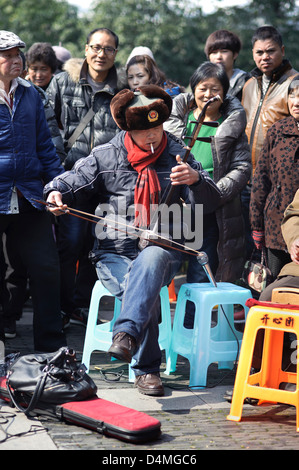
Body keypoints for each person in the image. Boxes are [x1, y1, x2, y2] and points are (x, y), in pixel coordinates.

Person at [44, 85, 221, 396]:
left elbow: (211, 200)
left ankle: (126, 336)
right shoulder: (106, 154)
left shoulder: (179, 153)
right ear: (127, 128)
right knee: (142, 286)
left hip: (160, 249)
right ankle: (147, 368)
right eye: (143, 130)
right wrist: (55, 192)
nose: (151, 135)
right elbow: (71, 179)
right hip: (113, 253)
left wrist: (196, 180)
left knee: (150, 262)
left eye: (156, 127)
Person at [46, 28, 121, 326]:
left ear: (116, 54)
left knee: (98, 246)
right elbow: (47, 124)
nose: (101, 54)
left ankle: (83, 305)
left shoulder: (122, 90)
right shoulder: (63, 82)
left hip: (107, 186)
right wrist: (57, 173)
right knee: (70, 244)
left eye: (108, 49)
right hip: (72, 181)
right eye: (96, 47)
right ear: (86, 49)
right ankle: (64, 307)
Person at [164, 62, 251, 310]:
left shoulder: (232, 124)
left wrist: (215, 192)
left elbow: (242, 168)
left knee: (201, 269)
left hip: (212, 208)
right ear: (193, 90)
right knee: (164, 263)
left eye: (215, 88)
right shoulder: (178, 119)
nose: (208, 94)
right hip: (175, 205)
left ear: (224, 93)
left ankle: (192, 325)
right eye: (203, 88)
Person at [0, 30, 66, 351]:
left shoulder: (31, 95)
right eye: (8, 55)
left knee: (45, 268)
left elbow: (46, 147)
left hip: (30, 193)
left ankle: (51, 350)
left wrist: (55, 188)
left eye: (18, 55)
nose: (16, 61)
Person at [241, 26, 298, 258]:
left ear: (282, 51)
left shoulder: (294, 83)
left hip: (283, 188)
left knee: (281, 251)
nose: (265, 57)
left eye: (271, 51)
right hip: (248, 182)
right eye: (259, 52)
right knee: (250, 252)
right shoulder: (249, 85)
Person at [250, 76, 299, 280]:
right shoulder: (278, 131)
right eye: (292, 95)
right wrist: (256, 225)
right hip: (276, 225)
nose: (296, 102)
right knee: (277, 285)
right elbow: (261, 180)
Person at [204, 29, 251, 101]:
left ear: (235, 54)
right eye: (214, 52)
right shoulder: (202, 82)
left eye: (224, 51)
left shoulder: (247, 82)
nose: (218, 57)